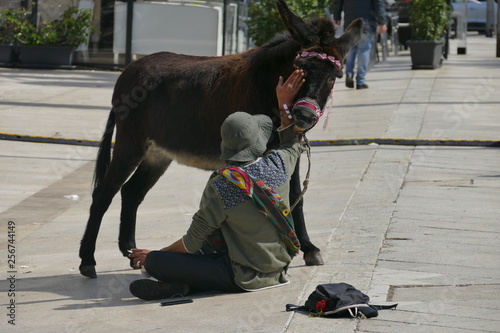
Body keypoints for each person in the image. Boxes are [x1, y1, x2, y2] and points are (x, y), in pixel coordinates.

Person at [128, 69, 306, 300]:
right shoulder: (279, 164)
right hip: (279, 268)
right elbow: (291, 138)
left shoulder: (222, 185)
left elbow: (192, 242)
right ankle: (184, 287)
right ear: (258, 141)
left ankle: (181, 279)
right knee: (207, 246)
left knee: (156, 262)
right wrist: (284, 102)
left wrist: (156, 254)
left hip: (242, 277)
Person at [333, 0, 387, 89]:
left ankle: (349, 74)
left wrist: (336, 16)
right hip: (367, 22)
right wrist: (382, 22)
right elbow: (378, 4)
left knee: (350, 50)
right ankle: (360, 81)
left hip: (350, 22)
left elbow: (338, 2)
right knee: (364, 51)